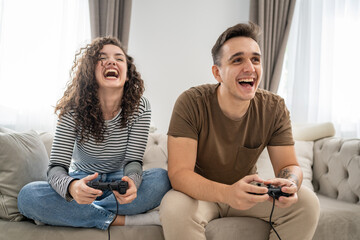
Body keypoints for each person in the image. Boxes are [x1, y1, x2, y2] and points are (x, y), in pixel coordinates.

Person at [160, 22, 320, 240]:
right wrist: (227, 193)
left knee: (307, 203)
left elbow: (289, 166)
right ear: (218, 73)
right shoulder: (191, 102)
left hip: (248, 194)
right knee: (173, 206)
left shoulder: (274, 108)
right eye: (237, 60)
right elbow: (179, 174)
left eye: (255, 59)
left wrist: (290, 183)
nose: (250, 68)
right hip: (200, 194)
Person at [17, 37, 171, 230]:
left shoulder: (140, 106)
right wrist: (73, 188)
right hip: (83, 180)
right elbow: (57, 167)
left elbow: (133, 162)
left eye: (119, 58)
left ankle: (74, 214)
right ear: (90, 71)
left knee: (162, 179)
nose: (111, 61)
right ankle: (119, 219)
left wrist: (132, 182)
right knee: (27, 196)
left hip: (119, 181)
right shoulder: (72, 108)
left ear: (128, 74)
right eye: (102, 57)